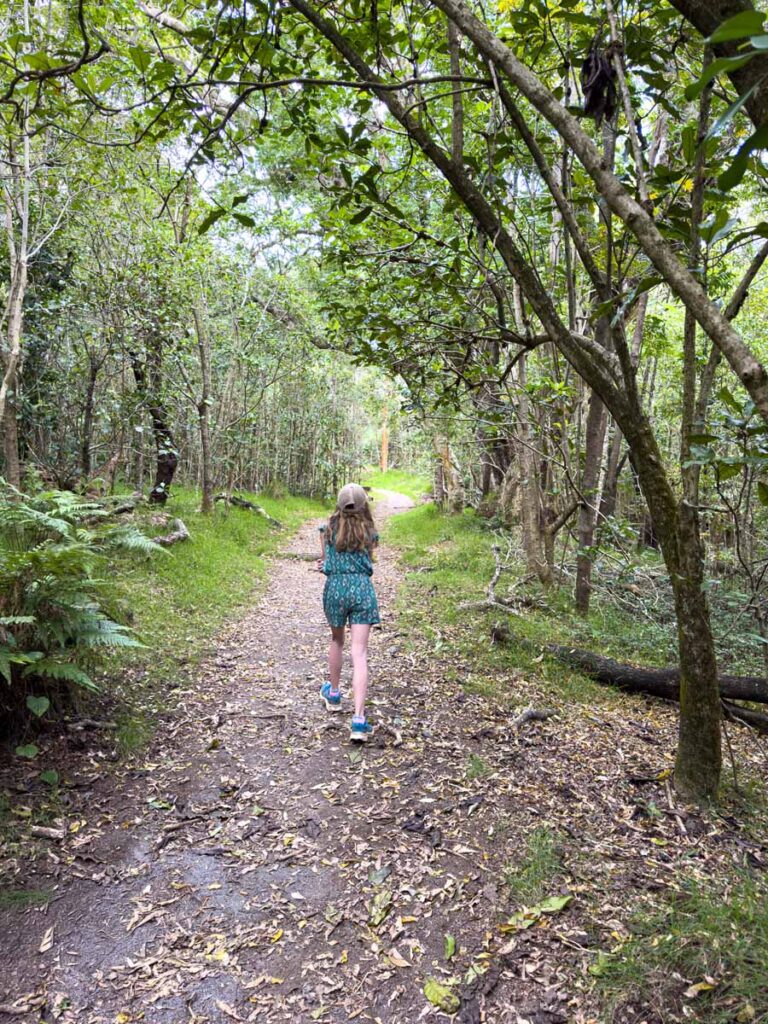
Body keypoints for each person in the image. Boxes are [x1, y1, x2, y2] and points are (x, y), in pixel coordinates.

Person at [317, 483, 380, 742]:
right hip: (362, 590)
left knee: (336, 640)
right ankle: (358, 720)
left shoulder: (327, 530)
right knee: (360, 652)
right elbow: (369, 556)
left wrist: (328, 565)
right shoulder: (370, 533)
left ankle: (333, 694)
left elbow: (325, 562)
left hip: (335, 589)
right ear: (364, 505)